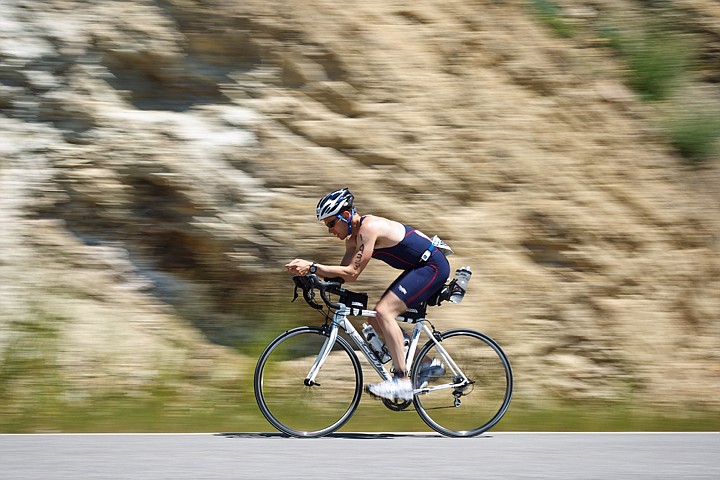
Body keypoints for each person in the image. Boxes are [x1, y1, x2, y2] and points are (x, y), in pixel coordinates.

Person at [285, 187, 450, 401]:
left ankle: (402, 381)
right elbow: (341, 276)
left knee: (384, 313)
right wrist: (311, 279)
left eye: (331, 224)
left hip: (433, 265)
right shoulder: (352, 240)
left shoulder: (368, 228)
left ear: (345, 216)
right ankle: (427, 364)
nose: (329, 231)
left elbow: (352, 272)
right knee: (376, 320)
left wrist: (312, 266)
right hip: (419, 267)